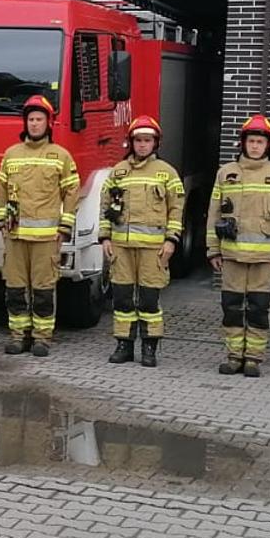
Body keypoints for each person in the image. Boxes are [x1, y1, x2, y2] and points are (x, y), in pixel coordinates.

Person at [206, 114, 270, 377]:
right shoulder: (226, 173)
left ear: (268, 145)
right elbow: (214, 213)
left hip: (264, 259)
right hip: (232, 256)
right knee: (232, 308)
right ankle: (234, 356)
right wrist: (213, 249)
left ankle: (254, 359)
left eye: (260, 141)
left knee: (258, 309)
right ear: (242, 143)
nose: (255, 146)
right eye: (251, 141)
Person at [0, 95, 80, 357]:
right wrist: (1, 223)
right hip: (16, 236)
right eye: (30, 119)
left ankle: (43, 338)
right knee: (15, 289)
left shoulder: (61, 156)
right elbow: (1, 192)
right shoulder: (11, 155)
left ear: (49, 123)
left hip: (46, 239)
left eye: (39, 120)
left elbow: (72, 193)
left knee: (43, 291)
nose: (34, 124)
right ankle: (18, 336)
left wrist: (64, 228)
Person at [99, 116, 186, 368]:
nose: (142, 145)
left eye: (147, 140)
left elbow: (176, 209)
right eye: (138, 140)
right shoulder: (118, 172)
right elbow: (105, 206)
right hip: (121, 249)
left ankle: (150, 347)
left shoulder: (166, 173)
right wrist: (105, 237)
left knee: (149, 300)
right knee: (123, 299)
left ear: (155, 143)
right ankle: (124, 345)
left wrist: (171, 241)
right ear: (131, 142)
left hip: (153, 249)